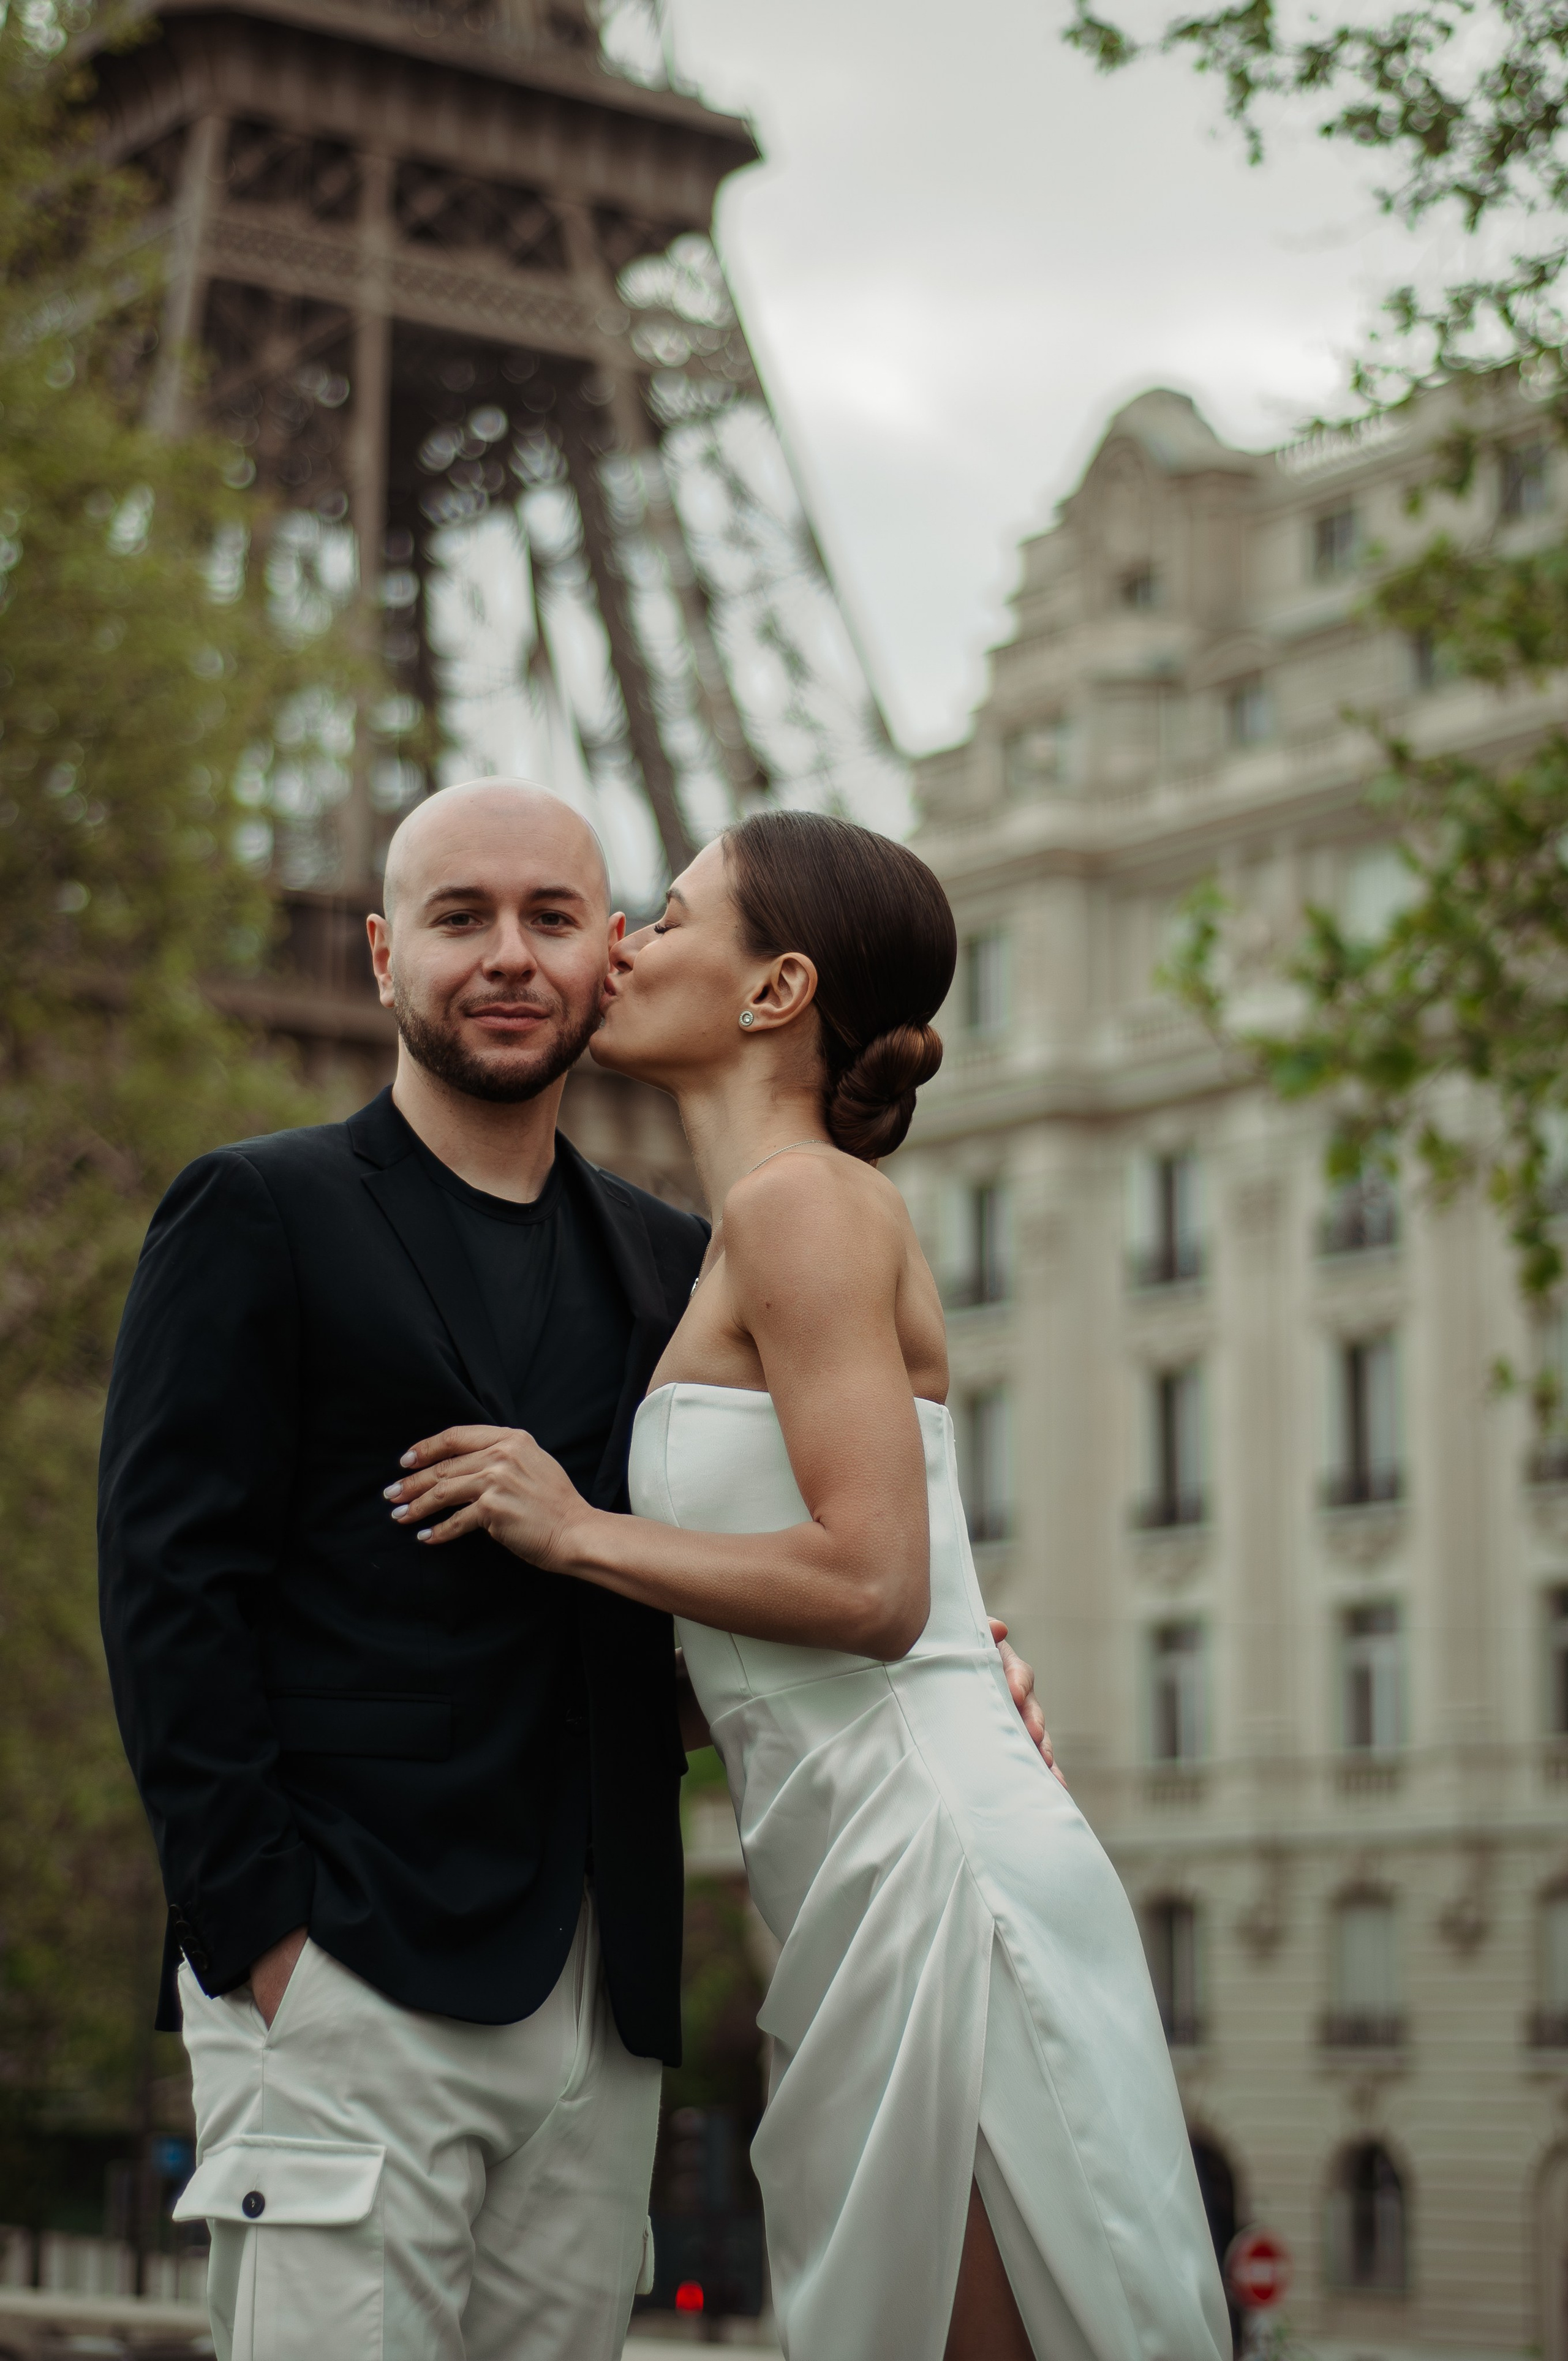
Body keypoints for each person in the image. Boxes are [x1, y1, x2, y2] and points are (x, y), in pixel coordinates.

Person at [98, 779, 1046, 2361]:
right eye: (461, 920)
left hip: (598, 2004)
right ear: (382, 960)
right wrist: (262, 1941)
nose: (509, 956)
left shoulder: (679, 1261)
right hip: (345, 1968)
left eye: (552, 918)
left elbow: (727, 1594)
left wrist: (940, 1664)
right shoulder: (257, 1215)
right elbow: (165, 1593)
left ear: (611, 954)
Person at [391, 809, 1233, 2361]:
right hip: (863, 1859)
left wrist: (572, 1529)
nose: (623, 943)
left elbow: (871, 1580)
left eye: (664, 910)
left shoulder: (803, 1205)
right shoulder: (757, 1224)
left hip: (925, 1859)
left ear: (775, 989)